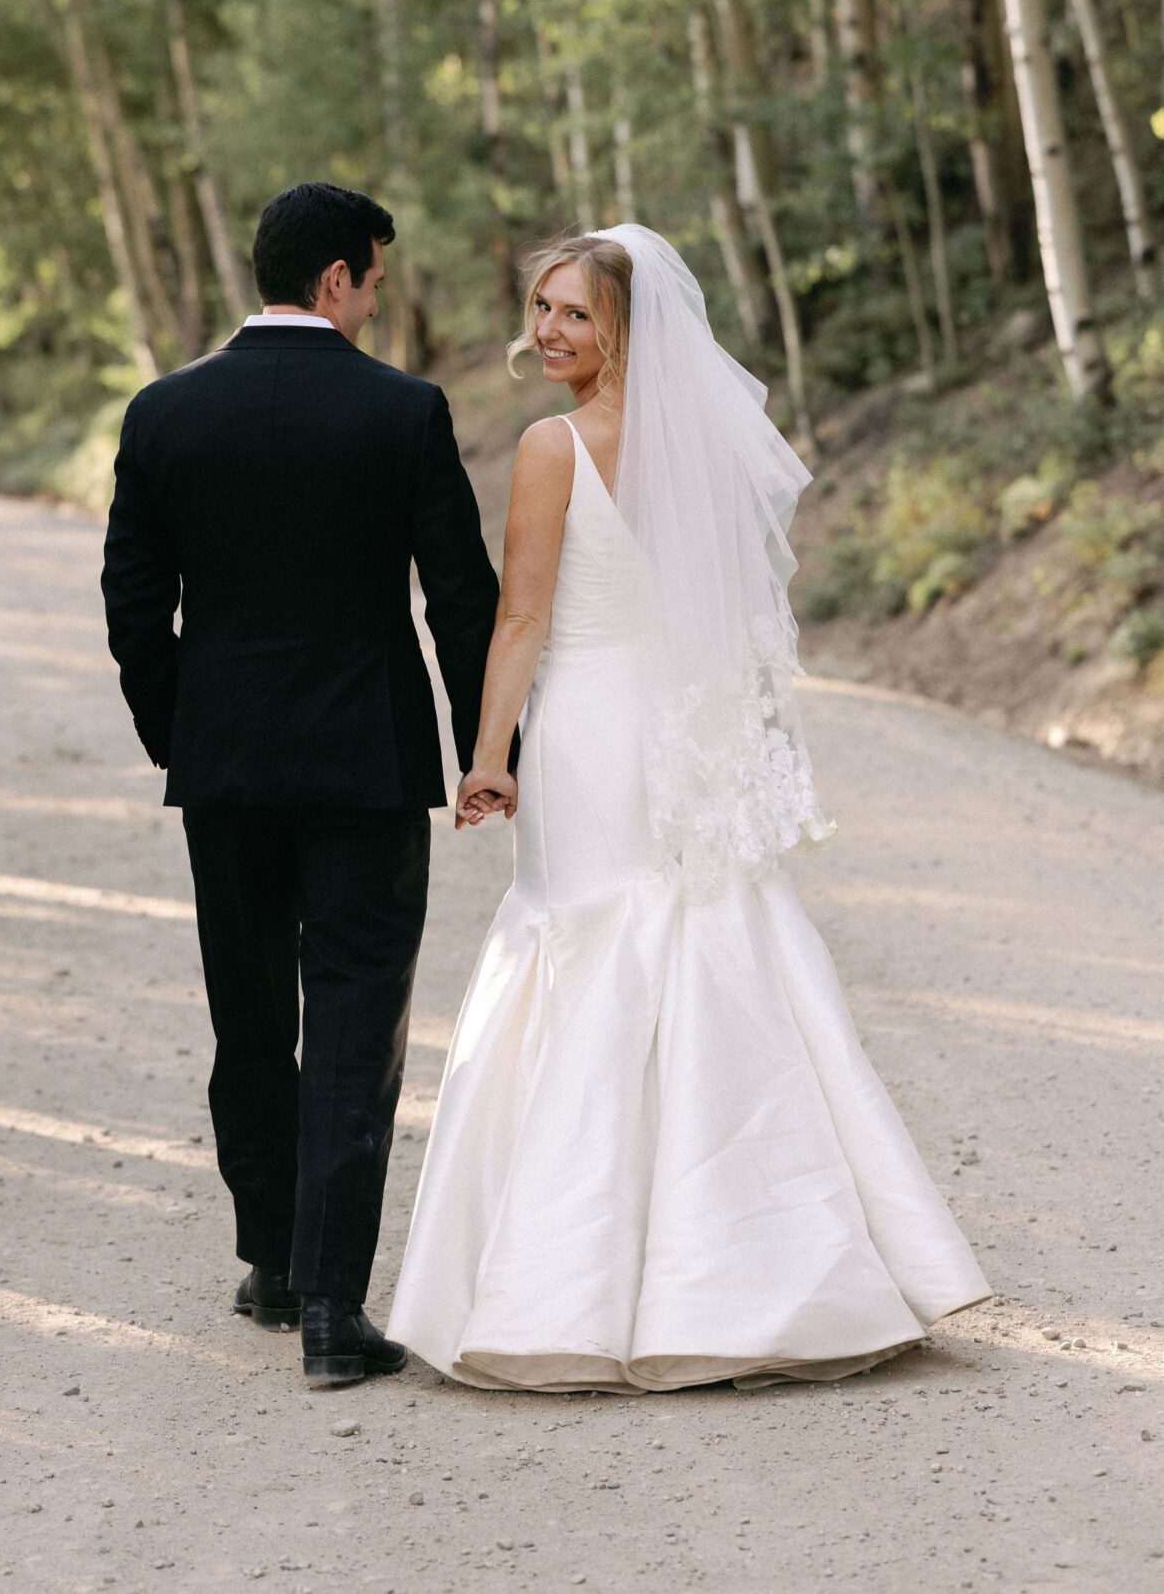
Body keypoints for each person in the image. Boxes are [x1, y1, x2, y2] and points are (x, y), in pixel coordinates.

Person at [388, 224, 990, 1392]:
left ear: (624, 321)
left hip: (592, 732)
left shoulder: (552, 446)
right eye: (542, 308)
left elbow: (520, 617)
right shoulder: (703, 444)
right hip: (679, 729)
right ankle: (776, 1267)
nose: (549, 330)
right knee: (710, 954)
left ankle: (580, 1291)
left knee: (595, 952)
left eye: (573, 311)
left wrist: (490, 752)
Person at [101, 181, 499, 1388]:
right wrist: (491, 746)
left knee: (250, 1013)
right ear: (336, 280)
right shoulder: (403, 411)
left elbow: (132, 602)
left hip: (226, 769)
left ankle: (271, 1263)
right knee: (353, 1024)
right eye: (374, 278)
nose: (377, 299)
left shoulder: (167, 410)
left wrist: (184, 734)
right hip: (367, 767)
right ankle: (333, 1307)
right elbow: (461, 597)